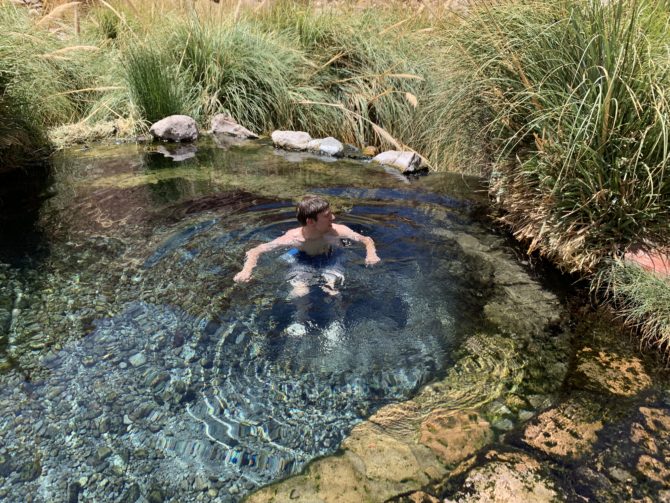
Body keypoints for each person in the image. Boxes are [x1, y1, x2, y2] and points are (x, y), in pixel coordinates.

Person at [233, 195, 380, 299]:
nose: (333, 218)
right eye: (327, 216)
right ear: (310, 221)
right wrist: (246, 270)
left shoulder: (337, 231)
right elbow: (255, 250)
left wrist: (371, 253)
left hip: (331, 256)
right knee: (300, 292)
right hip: (302, 258)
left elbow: (365, 239)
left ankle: (336, 325)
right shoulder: (293, 237)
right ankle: (300, 319)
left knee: (332, 290)